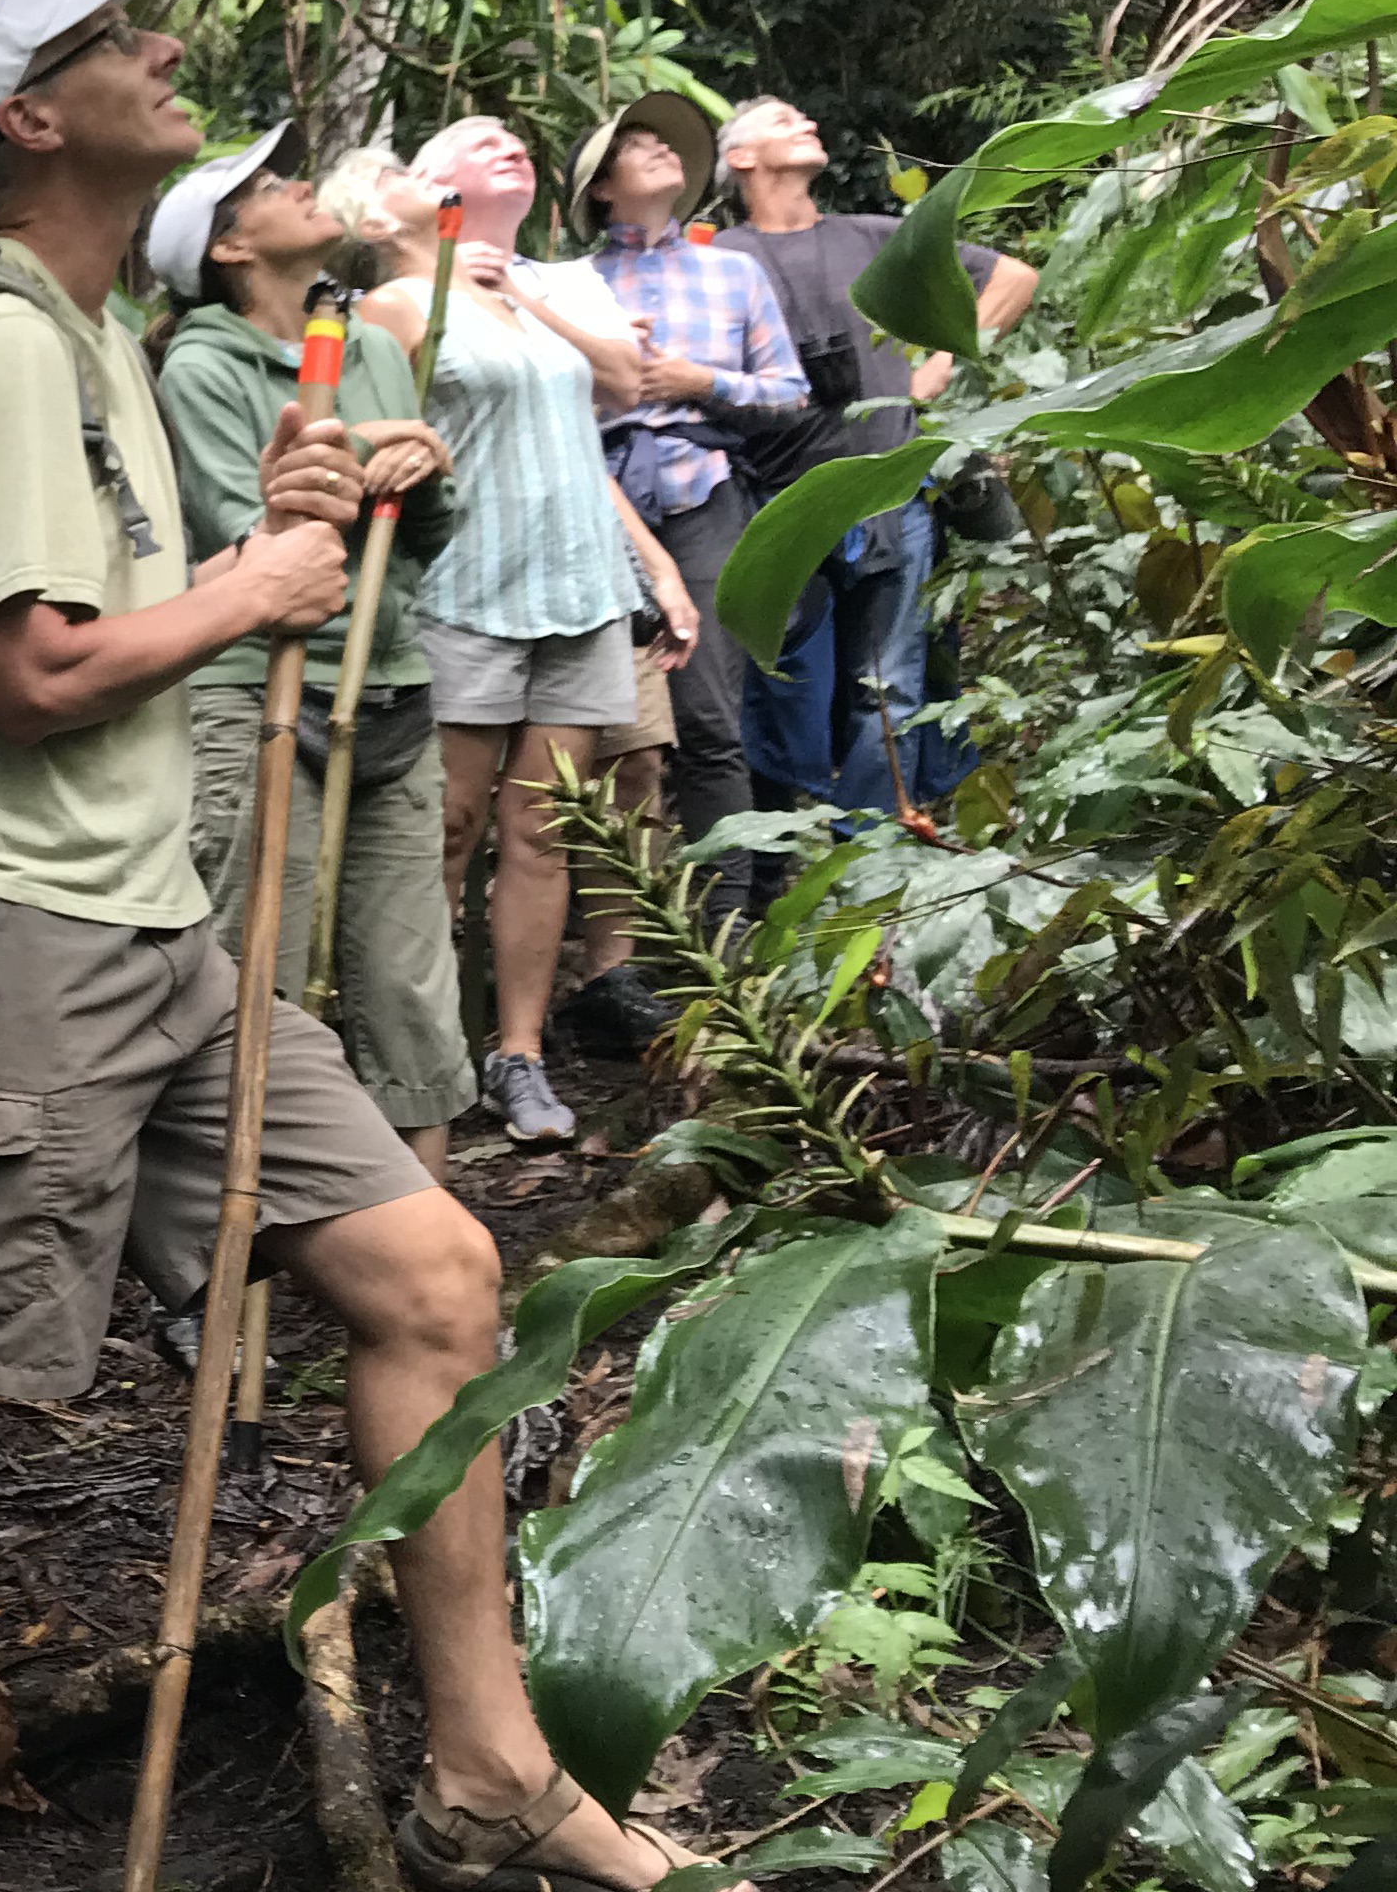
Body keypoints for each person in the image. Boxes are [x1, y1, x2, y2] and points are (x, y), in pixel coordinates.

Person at [0, 0, 745, 1892]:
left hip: (149, 929)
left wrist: (288, 524)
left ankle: (484, 1771)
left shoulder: (107, 340)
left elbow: (120, 610)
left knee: (431, 1270)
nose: (170, 55)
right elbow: (33, 674)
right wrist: (256, 592)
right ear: (29, 121)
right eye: (121, 44)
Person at [353, 124, 703, 1143]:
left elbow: (621, 385)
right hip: (466, 587)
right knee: (447, 829)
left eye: (514, 142)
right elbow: (384, 439)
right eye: (477, 141)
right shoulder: (394, 304)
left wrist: (518, 293)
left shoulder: (536, 288)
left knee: (545, 830)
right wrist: (460, 282)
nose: (508, 145)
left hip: (579, 588)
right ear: (416, 195)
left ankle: (520, 1054)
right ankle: (420, 1051)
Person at [147, 131, 468, 1175]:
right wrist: (378, 454)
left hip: (389, 681)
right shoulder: (200, 362)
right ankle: (233, 1243)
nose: (298, 183)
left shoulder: (370, 342)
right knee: (255, 969)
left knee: (411, 982)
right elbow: (254, 536)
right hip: (260, 692)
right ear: (229, 248)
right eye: (264, 187)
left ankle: (433, 1243)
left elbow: (413, 532)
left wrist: (429, 471)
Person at [715, 96, 1039, 815]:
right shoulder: (720, 258)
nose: (807, 122)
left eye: (807, 116)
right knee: (784, 679)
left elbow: (1014, 277)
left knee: (886, 684)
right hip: (778, 498)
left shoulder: (871, 237)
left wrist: (942, 360)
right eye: (781, 121)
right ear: (741, 159)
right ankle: (776, 861)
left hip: (893, 491)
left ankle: (868, 858)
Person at [569, 95, 807, 911]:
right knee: (603, 729)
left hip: (705, 493)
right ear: (603, 187)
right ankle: (619, 939)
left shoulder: (733, 272)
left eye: (666, 144)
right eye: (637, 147)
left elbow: (789, 393)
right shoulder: (573, 284)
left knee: (709, 715)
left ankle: (725, 923)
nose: (663, 152)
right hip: (597, 502)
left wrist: (699, 382)